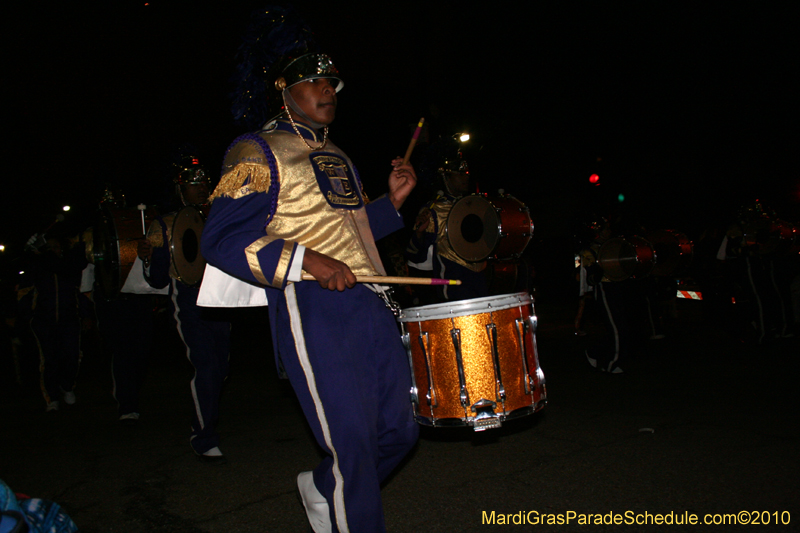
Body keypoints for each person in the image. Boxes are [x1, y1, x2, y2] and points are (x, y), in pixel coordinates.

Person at [200, 8, 419, 531]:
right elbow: (221, 240)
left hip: (373, 301)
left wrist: (391, 203)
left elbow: (348, 236)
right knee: (352, 444)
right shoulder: (256, 149)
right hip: (314, 307)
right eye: (314, 81)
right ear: (285, 91)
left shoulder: (338, 153)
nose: (328, 89)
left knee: (402, 431)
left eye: (332, 82)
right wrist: (306, 261)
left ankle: (323, 486)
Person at [137, 156, 231, 463]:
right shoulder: (165, 224)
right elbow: (157, 279)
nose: (201, 188)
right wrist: (149, 256)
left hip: (220, 300)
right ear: (180, 189)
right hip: (188, 302)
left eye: (204, 182)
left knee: (220, 368)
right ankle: (203, 436)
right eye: (194, 184)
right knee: (207, 365)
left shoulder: (220, 216)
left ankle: (206, 419)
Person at [406, 138, 489, 302]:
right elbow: (416, 258)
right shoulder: (434, 210)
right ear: (445, 177)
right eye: (460, 174)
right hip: (454, 288)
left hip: (482, 280)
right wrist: (420, 233)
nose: (465, 177)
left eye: (466, 173)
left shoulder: (476, 205)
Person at [18, 230, 90, 411]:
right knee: (49, 359)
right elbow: (23, 293)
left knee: (72, 356)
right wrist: (26, 317)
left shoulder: (69, 266)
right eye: (48, 247)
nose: (52, 250)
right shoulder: (36, 268)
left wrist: (86, 315)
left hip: (69, 319)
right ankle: (51, 397)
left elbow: (82, 292)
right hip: (44, 321)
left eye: (55, 247)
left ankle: (67, 386)